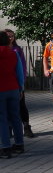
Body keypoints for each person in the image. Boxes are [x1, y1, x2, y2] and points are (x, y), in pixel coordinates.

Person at [0, 30, 25, 159]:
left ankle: (5, 147)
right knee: (15, 117)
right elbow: (20, 73)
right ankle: (19, 144)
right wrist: (21, 89)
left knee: (2, 119)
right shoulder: (14, 54)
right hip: (14, 89)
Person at [5, 29, 34, 138]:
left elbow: (22, 67)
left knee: (21, 105)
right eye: (8, 36)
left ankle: (26, 127)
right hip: (4, 83)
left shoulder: (17, 50)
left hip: (16, 82)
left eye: (12, 36)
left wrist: (21, 84)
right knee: (6, 107)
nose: (10, 38)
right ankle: (8, 128)